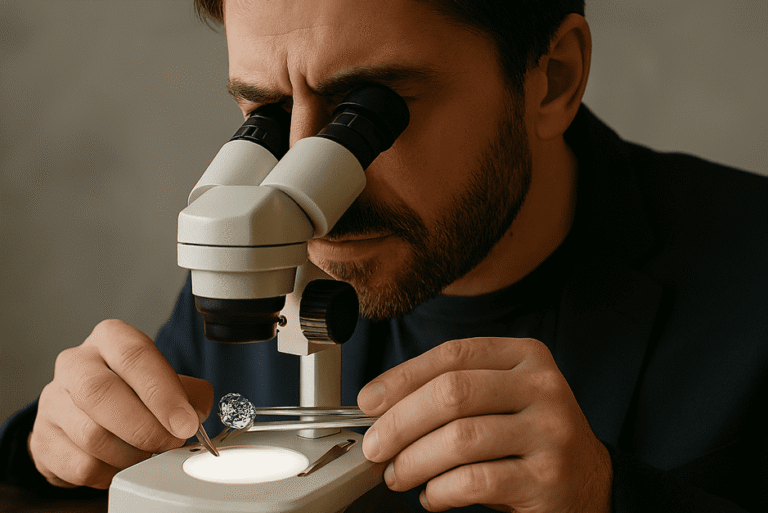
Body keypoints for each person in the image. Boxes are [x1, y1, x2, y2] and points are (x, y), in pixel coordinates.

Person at [1, 0, 766, 511]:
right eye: (266, 113)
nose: (305, 179)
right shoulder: (260, 265)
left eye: (369, 111)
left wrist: (612, 496)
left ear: (551, 79)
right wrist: (52, 450)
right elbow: (114, 453)